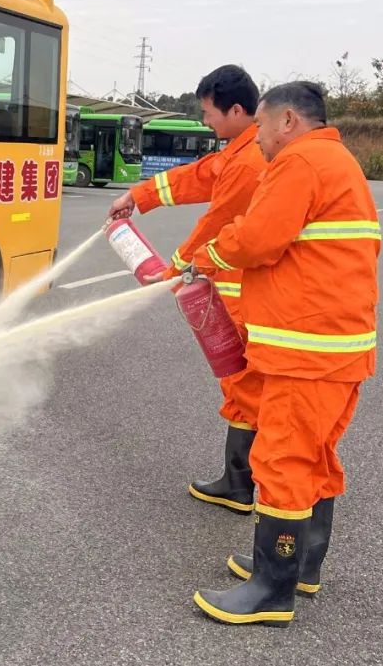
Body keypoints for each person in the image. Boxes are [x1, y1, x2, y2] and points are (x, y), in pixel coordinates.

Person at [187, 81, 381, 627]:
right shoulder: (335, 161)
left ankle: (272, 589)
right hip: (334, 348)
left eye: (262, 127)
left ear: (288, 120)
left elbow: (256, 238)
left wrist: (207, 254)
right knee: (314, 457)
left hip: (307, 352)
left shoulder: (300, 162)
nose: (258, 139)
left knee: (283, 460)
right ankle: (300, 567)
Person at [108, 65, 267, 514]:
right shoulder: (241, 150)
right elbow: (198, 176)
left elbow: (216, 223)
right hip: (240, 289)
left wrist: (174, 270)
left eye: (209, 113)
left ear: (236, 111)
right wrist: (137, 197)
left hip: (245, 292)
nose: (205, 121)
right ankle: (244, 479)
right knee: (245, 383)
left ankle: (241, 484)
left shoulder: (250, 160)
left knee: (244, 383)